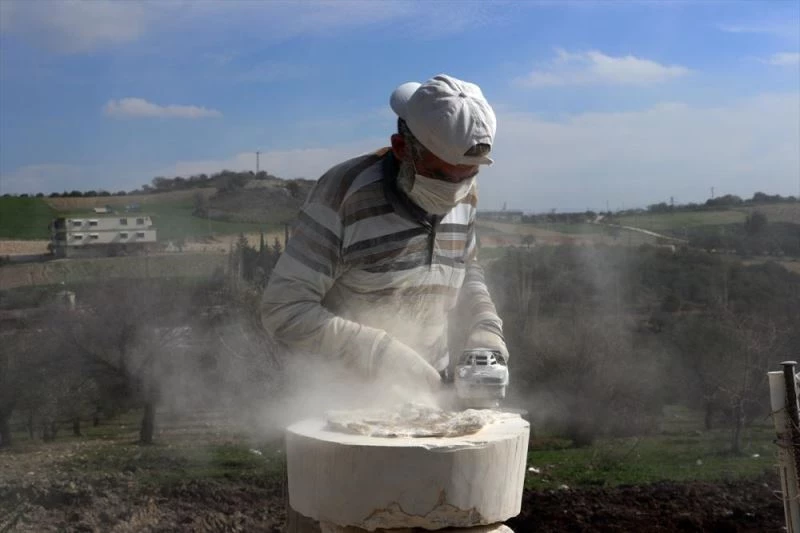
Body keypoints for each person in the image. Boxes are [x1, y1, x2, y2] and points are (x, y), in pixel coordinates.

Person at [261, 74, 509, 394]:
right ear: (401, 148)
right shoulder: (342, 195)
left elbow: (465, 266)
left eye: (469, 175)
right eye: (440, 175)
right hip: (344, 395)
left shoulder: (466, 194)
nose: (455, 192)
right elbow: (284, 310)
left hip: (433, 388)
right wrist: (379, 353)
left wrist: (486, 327)